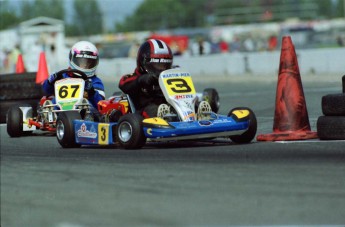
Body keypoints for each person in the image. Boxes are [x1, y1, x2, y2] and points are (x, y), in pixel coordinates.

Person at [42, 41, 105, 114]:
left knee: (86, 104)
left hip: (84, 115)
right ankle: (50, 118)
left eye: (89, 63)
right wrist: (50, 81)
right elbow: (46, 91)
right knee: (52, 102)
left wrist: (91, 92)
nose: (85, 66)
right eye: (82, 62)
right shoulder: (63, 76)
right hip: (60, 110)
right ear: (72, 58)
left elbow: (101, 105)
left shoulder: (95, 81)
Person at [118, 39, 173, 118]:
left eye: (164, 64)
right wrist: (141, 80)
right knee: (152, 109)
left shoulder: (167, 76)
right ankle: (164, 117)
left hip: (167, 106)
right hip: (141, 113)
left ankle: (193, 112)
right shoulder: (135, 77)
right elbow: (122, 83)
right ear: (144, 62)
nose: (161, 68)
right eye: (158, 64)